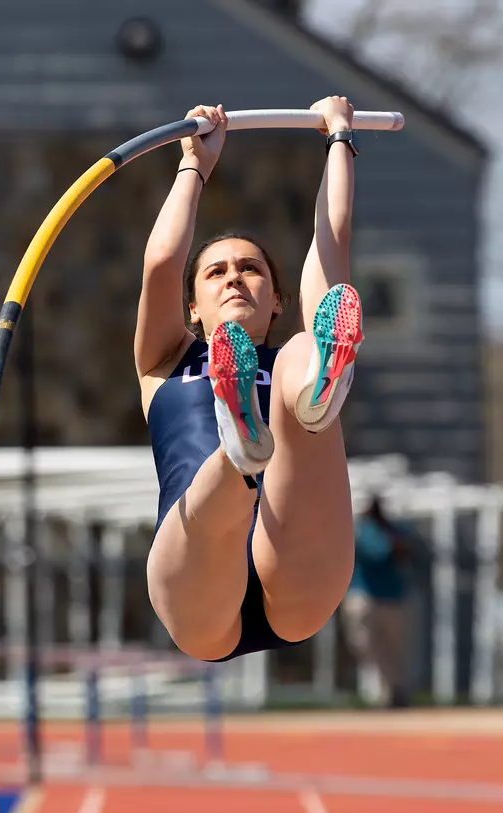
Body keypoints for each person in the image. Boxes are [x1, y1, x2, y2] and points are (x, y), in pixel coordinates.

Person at [135, 97, 364, 661]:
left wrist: (339, 138)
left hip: (295, 565)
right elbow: (162, 262)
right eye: (217, 272)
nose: (235, 278)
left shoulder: (291, 353)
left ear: (278, 299)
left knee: (304, 350)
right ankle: (240, 451)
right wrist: (194, 162)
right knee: (218, 502)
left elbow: (331, 239)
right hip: (197, 580)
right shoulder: (165, 359)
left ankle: (311, 402)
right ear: (191, 307)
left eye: (252, 269)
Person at [341, 494, 418, 707]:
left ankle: (395, 692)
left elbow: (405, 551)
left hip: (392, 598)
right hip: (363, 596)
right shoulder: (360, 530)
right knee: (365, 646)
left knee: (395, 649)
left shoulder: (396, 528)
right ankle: (380, 691)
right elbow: (377, 553)